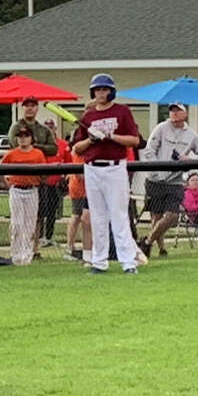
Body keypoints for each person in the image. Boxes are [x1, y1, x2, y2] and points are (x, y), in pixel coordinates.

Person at [70, 73, 142, 274]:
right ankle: (99, 262)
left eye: (105, 89)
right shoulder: (88, 117)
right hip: (92, 168)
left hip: (115, 167)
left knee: (119, 216)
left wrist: (110, 136)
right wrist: (92, 139)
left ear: (112, 91)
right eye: (98, 90)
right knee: (97, 218)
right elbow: (78, 147)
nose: (101, 93)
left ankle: (128, 262)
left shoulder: (122, 111)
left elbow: (134, 140)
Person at [137, 102, 198, 258]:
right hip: (155, 180)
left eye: (178, 110)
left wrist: (190, 159)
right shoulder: (161, 128)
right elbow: (149, 151)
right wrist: (158, 168)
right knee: (156, 216)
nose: (174, 113)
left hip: (175, 181)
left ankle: (147, 242)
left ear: (185, 114)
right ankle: (161, 249)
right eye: (172, 110)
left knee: (172, 216)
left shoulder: (191, 134)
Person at [1, 126, 47, 265]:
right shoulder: (12, 154)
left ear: (31, 138)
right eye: (20, 136)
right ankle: (15, 254)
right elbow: (0, 168)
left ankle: (27, 255)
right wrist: (7, 182)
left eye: (26, 135)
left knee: (30, 224)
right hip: (16, 190)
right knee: (17, 223)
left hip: (32, 190)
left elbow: (44, 172)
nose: (23, 138)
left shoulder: (37, 154)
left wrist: (39, 180)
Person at [36, 119, 69, 249]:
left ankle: (49, 236)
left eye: (51, 127)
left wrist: (64, 177)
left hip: (55, 183)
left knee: (52, 211)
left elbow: (68, 162)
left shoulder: (62, 144)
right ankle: (39, 236)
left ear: (55, 128)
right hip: (42, 182)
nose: (49, 129)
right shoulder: (41, 145)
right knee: (40, 211)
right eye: (47, 127)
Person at [65, 150, 92, 263]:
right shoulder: (79, 151)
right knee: (76, 216)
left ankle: (86, 245)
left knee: (85, 219)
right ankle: (69, 247)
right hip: (79, 189)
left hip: (88, 189)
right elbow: (79, 174)